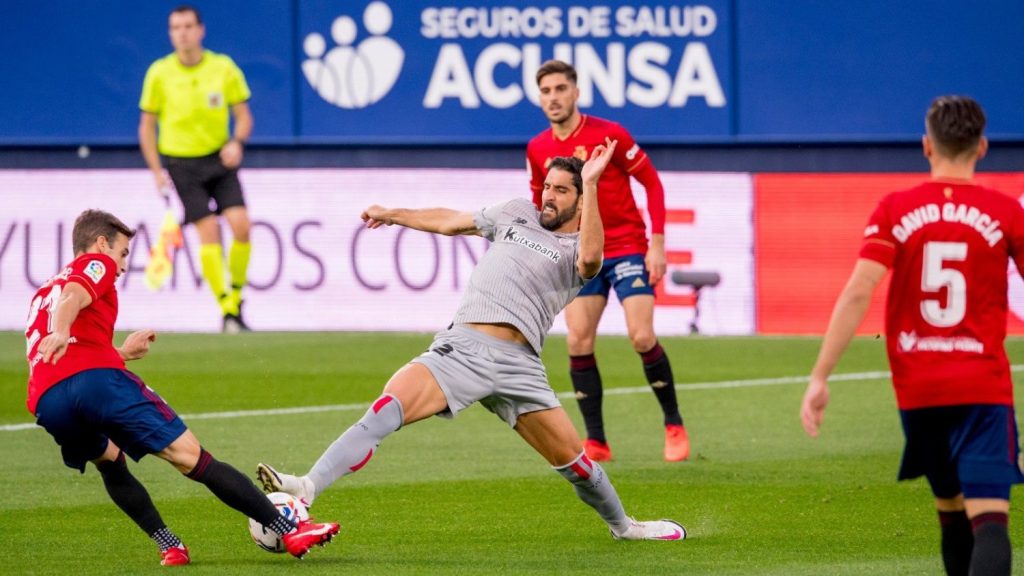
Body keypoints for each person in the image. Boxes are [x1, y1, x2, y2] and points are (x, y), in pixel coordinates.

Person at [257, 141, 686, 542]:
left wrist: (591, 182)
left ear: (578, 199)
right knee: (388, 407)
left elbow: (592, 260)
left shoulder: (579, 245)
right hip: (462, 349)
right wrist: (393, 213)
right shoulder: (516, 212)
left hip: (521, 366)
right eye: (546, 188)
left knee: (576, 464)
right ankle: (307, 487)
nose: (548, 197)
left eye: (560, 190)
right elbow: (449, 221)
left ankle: (624, 527)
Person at [24, 209, 340, 566]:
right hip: (99, 383)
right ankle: (288, 528)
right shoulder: (96, 264)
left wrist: (120, 353)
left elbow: (66, 353)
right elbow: (74, 296)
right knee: (194, 458)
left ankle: (169, 545)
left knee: (110, 462)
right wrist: (63, 330)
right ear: (100, 243)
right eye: (123, 253)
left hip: (48, 399)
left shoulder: (41, 293)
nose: (123, 265)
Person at [800, 96, 1024, 576]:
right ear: (982, 147)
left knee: (949, 512)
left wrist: (820, 376)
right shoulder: (1006, 212)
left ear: (927, 146)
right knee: (989, 522)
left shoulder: (895, 208)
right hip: (983, 389)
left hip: (919, 392)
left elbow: (859, 290)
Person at [526, 59, 688, 462]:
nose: (553, 98)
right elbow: (541, 203)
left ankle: (674, 424)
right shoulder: (538, 148)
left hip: (627, 245)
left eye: (560, 89)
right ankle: (596, 441)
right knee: (578, 340)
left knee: (641, 336)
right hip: (581, 254)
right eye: (546, 91)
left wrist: (658, 243)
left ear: (576, 93)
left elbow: (651, 182)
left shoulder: (609, 134)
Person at [139, 4, 254, 333]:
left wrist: (237, 142)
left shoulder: (223, 68)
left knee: (241, 226)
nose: (183, 33)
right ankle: (228, 309)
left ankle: (234, 297)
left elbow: (244, 116)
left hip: (219, 158)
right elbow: (146, 127)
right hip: (180, 163)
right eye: (176, 28)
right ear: (170, 34)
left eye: (188, 26)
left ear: (201, 30)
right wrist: (155, 170)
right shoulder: (159, 73)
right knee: (209, 231)